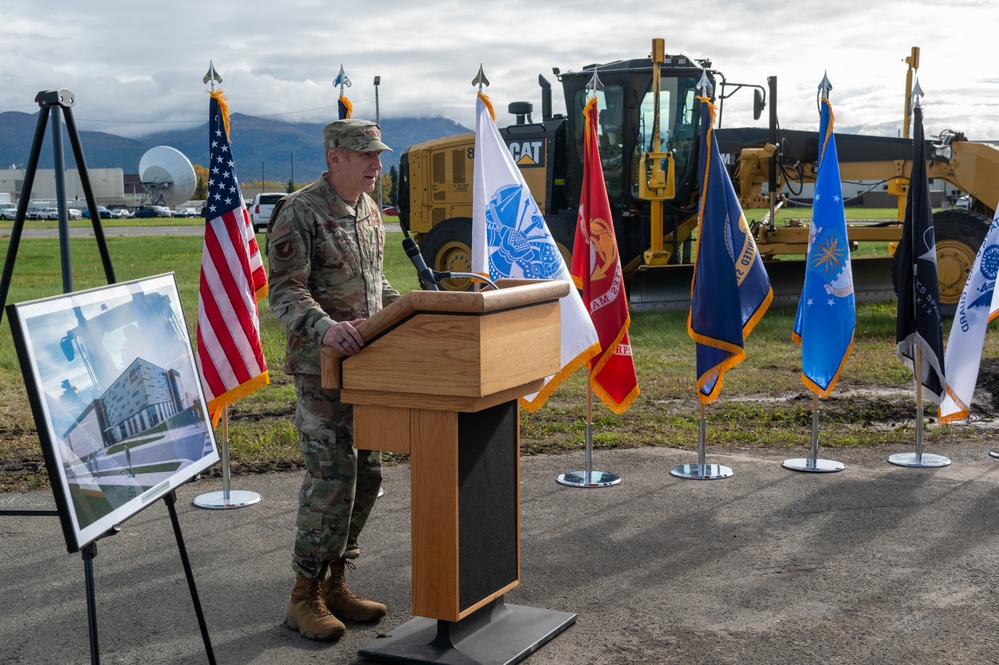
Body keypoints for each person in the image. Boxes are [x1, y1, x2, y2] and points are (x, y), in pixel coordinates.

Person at [267, 118, 401, 642]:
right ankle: (303, 596)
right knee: (331, 480)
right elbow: (285, 290)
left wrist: (409, 311)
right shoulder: (300, 211)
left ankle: (335, 583)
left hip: (365, 368)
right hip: (319, 369)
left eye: (378, 155)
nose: (376, 165)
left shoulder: (369, 211)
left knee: (367, 476)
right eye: (365, 155)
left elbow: (375, 284)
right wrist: (325, 328)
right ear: (334, 157)